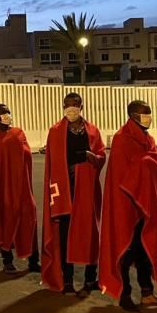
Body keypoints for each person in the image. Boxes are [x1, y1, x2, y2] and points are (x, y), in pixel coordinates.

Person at [98, 100, 157, 311]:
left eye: (149, 113)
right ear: (132, 115)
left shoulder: (147, 138)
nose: (148, 117)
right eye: (144, 114)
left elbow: (150, 166)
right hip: (127, 204)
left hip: (145, 204)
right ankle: (125, 294)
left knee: (146, 250)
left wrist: (149, 163)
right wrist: (149, 163)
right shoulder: (123, 139)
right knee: (126, 249)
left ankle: (147, 294)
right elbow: (125, 175)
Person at [41, 93, 105, 295]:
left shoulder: (92, 130)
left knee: (90, 233)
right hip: (65, 191)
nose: (71, 109)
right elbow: (53, 164)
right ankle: (67, 280)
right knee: (65, 236)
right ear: (63, 107)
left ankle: (89, 278)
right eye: (67, 106)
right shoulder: (55, 131)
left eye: (75, 105)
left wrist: (91, 156)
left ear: (81, 106)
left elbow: (101, 155)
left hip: (86, 190)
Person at [0, 103, 40, 274]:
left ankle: (33, 260)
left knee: (29, 217)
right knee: (5, 220)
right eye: (3, 113)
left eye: (8, 112)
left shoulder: (18, 133)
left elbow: (27, 153)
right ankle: (7, 260)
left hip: (22, 185)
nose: (7, 115)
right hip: (3, 187)